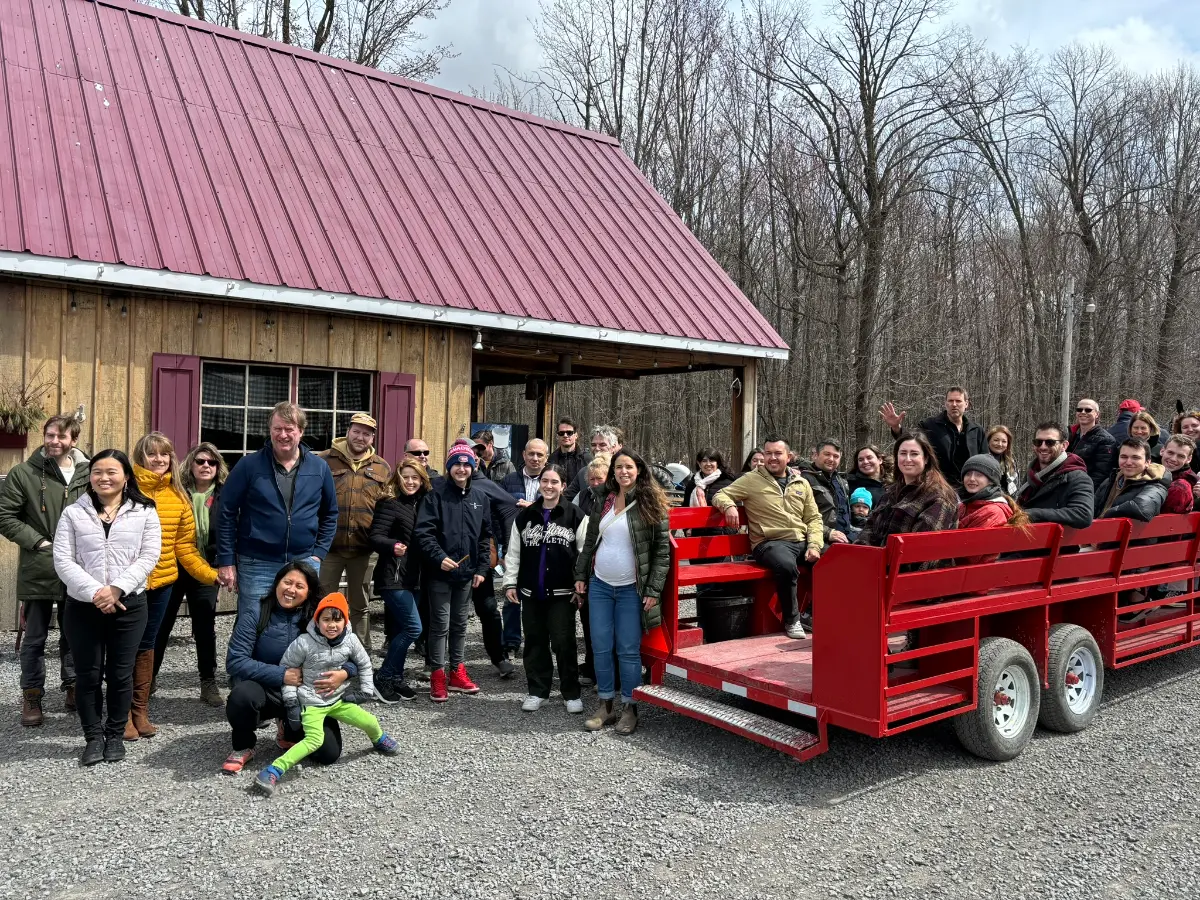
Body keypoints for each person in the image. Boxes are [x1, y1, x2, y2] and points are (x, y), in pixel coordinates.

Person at [53, 450, 161, 766]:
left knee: (119, 674)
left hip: (129, 604)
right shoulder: (73, 513)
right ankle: (92, 738)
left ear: (126, 476)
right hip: (83, 606)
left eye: (111, 471)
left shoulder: (145, 511)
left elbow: (148, 556)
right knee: (87, 675)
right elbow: (62, 559)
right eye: (97, 471)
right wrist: (96, 592)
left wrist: (116, 589)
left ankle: (114, 736)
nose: (104, 477)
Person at [251, 592, 398, 797]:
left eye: (337, 619)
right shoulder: (303, 642)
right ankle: (273, 770)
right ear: (317, 620)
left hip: (338, 700)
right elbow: (287, 669)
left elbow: (364, 664)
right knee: (315, 740)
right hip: (311, 703)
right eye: (326, 619)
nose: (332, 625)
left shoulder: (351, 640)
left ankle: (379, 739)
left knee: (370, 721)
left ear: (345, 620)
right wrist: (291, 701)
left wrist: (364, 692)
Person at [222, 561, 358, 775]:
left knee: (328, 754)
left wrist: (344, 673)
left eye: (299, 586)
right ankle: (243, 745)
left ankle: (288, 730)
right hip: (265, 689)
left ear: (309, 591)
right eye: (287, 582)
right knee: (241, 696)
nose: (291, 590)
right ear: (277, 583)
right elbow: (235, 660)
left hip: (308, 695)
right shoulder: (256, 612)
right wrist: (282, 674)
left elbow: (354, 655)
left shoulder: (321, 616)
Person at [0, 414, 88, 727]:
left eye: (61, 437)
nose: (54, 441)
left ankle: (74, 687)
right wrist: (38, 542)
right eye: (50, 435)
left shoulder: (88, 473)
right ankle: (32, 695)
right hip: (39, 567)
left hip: (79, 569)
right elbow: (5, 516)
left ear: (73, 440)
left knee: (75, 634)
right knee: (35, 637)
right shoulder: (23, 473)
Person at [575, 449, 670, 736]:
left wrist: (653, 589)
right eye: (618, 467)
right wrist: (580, 575)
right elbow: (591, 539)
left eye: (629, 466)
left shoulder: (650, 502)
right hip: (600, 585)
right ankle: (606, 705)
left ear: (639, 470)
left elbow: (661, 552)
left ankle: (630, 707)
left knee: (628, 650)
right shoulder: (603, 500)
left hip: (632, 588)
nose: (623, 472)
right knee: (601, 647)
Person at [130, 432, 218, 740]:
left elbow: (185, 546)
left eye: (164, 455)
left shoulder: (177, 495)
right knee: (129, 642)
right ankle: (124, 708)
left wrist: (212, 574)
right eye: (152, 454)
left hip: (171, 577)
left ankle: (138, 709)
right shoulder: (126, 489)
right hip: (132, 582)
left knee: (152, 641)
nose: (158, 460)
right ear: (141, 457)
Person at [216, 402, 338, 616]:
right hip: (257, 563)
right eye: (277, 429)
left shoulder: (319, 467)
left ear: (300, 431)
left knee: (299, 624)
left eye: (289, 429)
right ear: (270, 430)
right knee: (252, 625)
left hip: (303, 561)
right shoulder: (249, 465)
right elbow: (226, 512)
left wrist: (318, 554)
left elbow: (330, 513)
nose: (283, 435)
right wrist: (226, 560)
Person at [711, 436, 824, 640]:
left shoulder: (801, 483)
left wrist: (815, 544)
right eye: (768, 453)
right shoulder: (751, 480)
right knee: (787, 565)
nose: (772, 458)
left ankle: (820, 615)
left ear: (788, 457)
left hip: (801, 540)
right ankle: (793, 620)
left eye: (777, 453)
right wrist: (728, 506)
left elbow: (814, 518)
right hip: (768, 543)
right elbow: (720, 494)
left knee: (839, 558)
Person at [503, 466, 588, 713]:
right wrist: (510, 582)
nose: (549, 486)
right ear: (540, 484)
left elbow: (584, 553)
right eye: (545, 481)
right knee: (535, 642)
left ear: (563, 485)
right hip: (531, 593)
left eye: (554, 482)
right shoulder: (526, 516)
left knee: (563, 642)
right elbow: (514, 552)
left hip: (563, 593)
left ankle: (571, 693)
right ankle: (537, 691)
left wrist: (580, 584)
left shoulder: (575, 515)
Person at [414, 440, 492, 702]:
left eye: (466, 463)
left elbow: (484, 537)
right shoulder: (435, 494)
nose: (461, 468)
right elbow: (424, 533)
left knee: (460, 624)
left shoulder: (480, 498)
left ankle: (457, 670)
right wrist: (439, 558)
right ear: (449, 466)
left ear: (473, 466)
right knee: (440, 625)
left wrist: (482, 567)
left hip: (466, 574)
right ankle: (437, 673)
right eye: (456, 463)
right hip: (440, 573)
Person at [152, 442, 226, 708]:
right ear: (191, 465)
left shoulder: (226, 495)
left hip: (206, 567)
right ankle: (148, 680)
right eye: (201, 461)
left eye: (212, 462)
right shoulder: (177, 492)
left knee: (204, 627)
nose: (206, 466)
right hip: (174, 566)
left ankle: (208, 681)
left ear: (218, 467)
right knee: (161, 624)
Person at [316, 413, 390, 650]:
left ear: (372, 437)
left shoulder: (382, 466)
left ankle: (360, 653)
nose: (360, 437)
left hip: (364, 549)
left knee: (361, 604)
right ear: (347, 431)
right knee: (323, 600)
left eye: (366, 434)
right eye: (356, 431)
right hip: (329, 547)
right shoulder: (323, 461)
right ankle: (321, 648)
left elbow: (387, 508)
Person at [367, 455, 430, 702]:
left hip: (413, 577)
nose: (411, 482)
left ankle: (395, 677)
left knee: (400, 629)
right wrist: (393, 545)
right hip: (392, 576)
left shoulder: (424, 503)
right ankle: (382, 676)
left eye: (415, 478)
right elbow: (375, 536)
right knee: (414, 628)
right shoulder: (390, 503)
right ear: (398, 479)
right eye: (406, 478)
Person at [855, 433, 959, 547]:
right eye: (903, 453)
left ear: (926, 459)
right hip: (877, 559)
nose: (908, 459)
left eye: (914, 454)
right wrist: (862, 551)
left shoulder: (938, 497)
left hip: (904, 562)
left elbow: (922, 549)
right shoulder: (891, 492)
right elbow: (870, 526)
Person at [879, 387, 987, 485]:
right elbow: (911, 441)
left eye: (958, 401)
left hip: (970, 487)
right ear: (945, 403)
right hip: (939, 487)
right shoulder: (929, 425)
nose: (954, 404)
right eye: (950, 401)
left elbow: (985, 460)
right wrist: (896, 427)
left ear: (966, 404)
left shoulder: (976, 430)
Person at [573, 451, 610, 684]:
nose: (595, 483)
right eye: (592, 479)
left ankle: (607, 671)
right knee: (588, 621)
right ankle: (590, 665)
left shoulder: (615, 498)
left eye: (600, 479)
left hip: (608, 565)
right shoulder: (581, 498)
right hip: (587, 565)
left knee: (607, 624)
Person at [1016, 423, 1095, 530]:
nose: (1043, 447)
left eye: (1050, 442)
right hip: (1028, 538)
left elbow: (1083, 514)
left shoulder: (1077, 477)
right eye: (1038, 442)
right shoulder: (1033, 473)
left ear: (1064, 446)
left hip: (1056, 543)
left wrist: (1033, 514)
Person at [957, 455, 1031, 564]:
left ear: (991, 481)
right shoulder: (966, 504)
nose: (972, 478)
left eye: (979, 475)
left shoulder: (993, 511)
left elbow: (971, 555)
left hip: (977, 573)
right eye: (968, 474)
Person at [1096, 439, 1170, 522]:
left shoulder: (1156, 486)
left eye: (1135, 458)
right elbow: (1093, 505)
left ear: (1147, 462)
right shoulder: (1111, 480)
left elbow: (1142, 508)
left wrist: (1103, 517)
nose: (1128, 462)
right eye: (1124, 457)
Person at [799, 440, 852, 545]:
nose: (831, 459)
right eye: (827, 454)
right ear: (815, 455)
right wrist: (827, 533)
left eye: (836, 456)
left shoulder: (842, 481)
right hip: (819, 540)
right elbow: (797, 518)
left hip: (846, 537)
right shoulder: (803, 479)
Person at [1067, 398, 1116, 490]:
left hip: (1084, 490)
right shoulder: (1069, 435)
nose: (1083, 412)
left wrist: (1082, 490)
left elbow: (1101, 474)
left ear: (1097, 414)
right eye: (1079, 410)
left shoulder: (1106, 440)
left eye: (1088, 410)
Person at [565, 426, 620, 501]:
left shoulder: (620, 473)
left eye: (602, 445)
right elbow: (567, 499)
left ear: (613, 447)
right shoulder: (584, 472)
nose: (597, 448)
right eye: (593, 445)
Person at [502, 439, 549, 507]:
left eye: (539, 455)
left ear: (546, 458)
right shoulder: (508, 480)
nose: (535, 459)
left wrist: (534, 506)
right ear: (524, 455)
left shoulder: (553, 483)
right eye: (531, 454)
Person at [547, 416, 592, 486]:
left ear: (576, 435)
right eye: (561, 433)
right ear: (557, 436)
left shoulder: (586, 459)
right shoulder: (552, 459)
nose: (565, 435)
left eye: (569, 433)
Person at [1161, 435, 1197, 515]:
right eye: (1170, 453)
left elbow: (1166, 521)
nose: (1173, 459)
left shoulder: (1180, 487)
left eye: (1180, 456)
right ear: (1162, 451)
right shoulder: (1152, 471)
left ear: (1189, 459)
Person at [985, 426, 1020, 495]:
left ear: (1008, 444)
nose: (1000, 444)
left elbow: (1016, 488)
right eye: (996, 440)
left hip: (1007, 502)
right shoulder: (981, 461)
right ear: (988, 441)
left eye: (1004, 441)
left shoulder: (1011, 462)